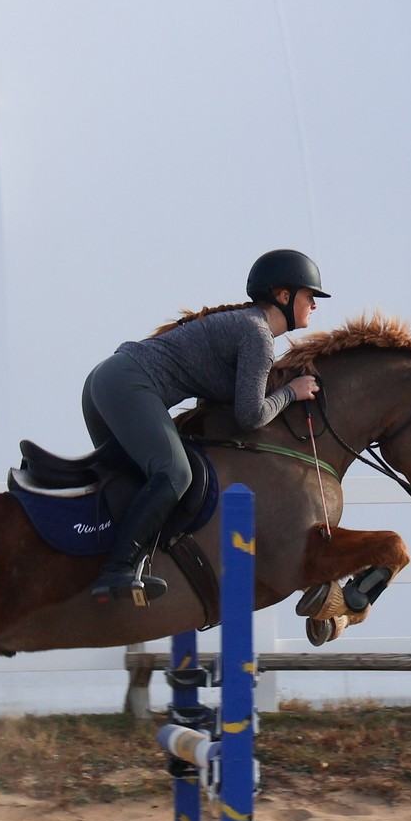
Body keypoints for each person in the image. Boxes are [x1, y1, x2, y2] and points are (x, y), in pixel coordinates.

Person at [82, 248, 330, 605]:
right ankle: (117, 570)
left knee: (134, 482)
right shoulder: (257, 334)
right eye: (310, 296)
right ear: (284, 296)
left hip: (107, 381)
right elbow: (251, 416)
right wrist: (292, 392)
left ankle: (97, 558)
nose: (315, 305)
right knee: (175, 474)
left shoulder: (247, 327)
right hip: (126, 383)